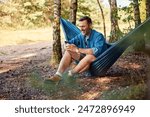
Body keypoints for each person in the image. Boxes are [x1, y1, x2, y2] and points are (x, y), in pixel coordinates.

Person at [45, 16, 107, 82]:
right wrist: (67, 45)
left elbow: (96, 51)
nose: (81, 29)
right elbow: (69, 42)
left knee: (90, 56)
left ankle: (71, 74)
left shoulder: (98, 36)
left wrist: (77, 49)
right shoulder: (81, 35)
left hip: (98, 62)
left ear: (90, 25)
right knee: (68, 51)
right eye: (80, 26)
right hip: (85, 62)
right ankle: (58, 76)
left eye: (83, 26)